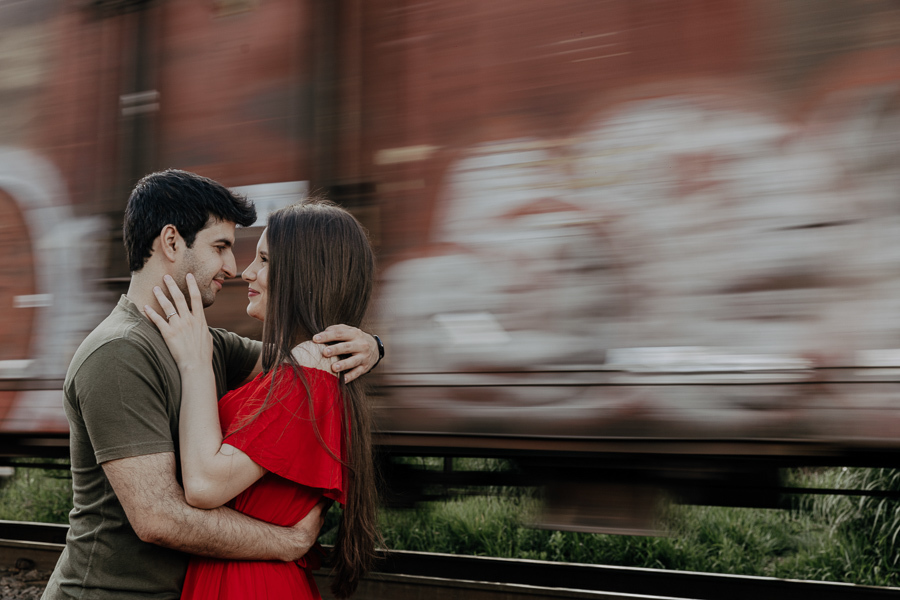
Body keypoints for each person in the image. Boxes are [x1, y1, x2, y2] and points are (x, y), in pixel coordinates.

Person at [43, 170, 381, 600]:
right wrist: (288, 542)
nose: (234, 267)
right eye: (220, 247)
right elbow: (158, 518)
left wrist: (370, 345)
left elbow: (303, 363)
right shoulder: (117, 353)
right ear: (171, 242)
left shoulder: (204, 345)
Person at [146, 197, 379, 599]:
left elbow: (203, 486)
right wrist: (375, 345)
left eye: (266, 260)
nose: (247, 272)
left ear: (306, 273)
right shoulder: (305, 367)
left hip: (248, 585)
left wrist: (196, 363)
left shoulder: (308, 369)